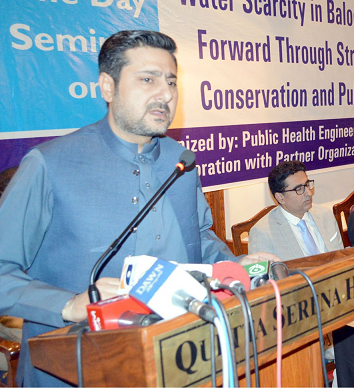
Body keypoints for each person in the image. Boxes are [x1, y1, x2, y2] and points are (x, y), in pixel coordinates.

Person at [0, 30, 276, 387]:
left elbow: (199, 239)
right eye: (148, 79)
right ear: (107, 87)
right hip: (76, 368)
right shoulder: (49, 164)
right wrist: (67, 305)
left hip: (178, 358)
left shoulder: (182, 160)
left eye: (172, 82)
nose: (165, 94)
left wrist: (235, 266)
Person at [249, 161, 343, 261]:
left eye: (307, 185)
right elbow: (266, 276)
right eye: (299, 189)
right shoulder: (263, 233)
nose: (308, 193)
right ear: (280, 197)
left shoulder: (325, 215)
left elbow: (341, 259)